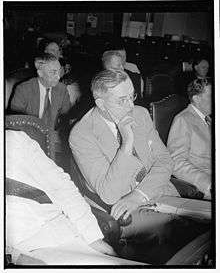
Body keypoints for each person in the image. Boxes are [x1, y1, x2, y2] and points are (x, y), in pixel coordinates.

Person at [69, 69, 180, 242]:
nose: (130, 106)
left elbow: (165, 161)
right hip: (123, 209)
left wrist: (139, 195)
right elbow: (110, 194)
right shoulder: (82, 135)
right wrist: (127, 143)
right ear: (101, 104)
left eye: (132, 96)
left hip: (158, 192)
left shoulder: (141, 114)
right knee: (182, 235)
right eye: (122, 100)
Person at [6, 129, 144, 265]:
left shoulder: (15, 140)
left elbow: (62, 187)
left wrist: (93, 237)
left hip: (63, 233)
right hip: (26, 249)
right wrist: (17, 257)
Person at [167, 78, 212, 199]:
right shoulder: (183, 119)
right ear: (197, 99)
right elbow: (176, 162)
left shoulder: (208, 119)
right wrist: (208, 183)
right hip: (205, 181)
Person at [10, 53, 71, 130]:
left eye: (59, 71)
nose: (58, 76)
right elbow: (16, 122)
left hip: (52, 136)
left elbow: (66, 118)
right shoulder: (23, 89)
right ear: (40, 73)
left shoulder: (62, 89)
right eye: (53, 72)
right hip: (29, 135)